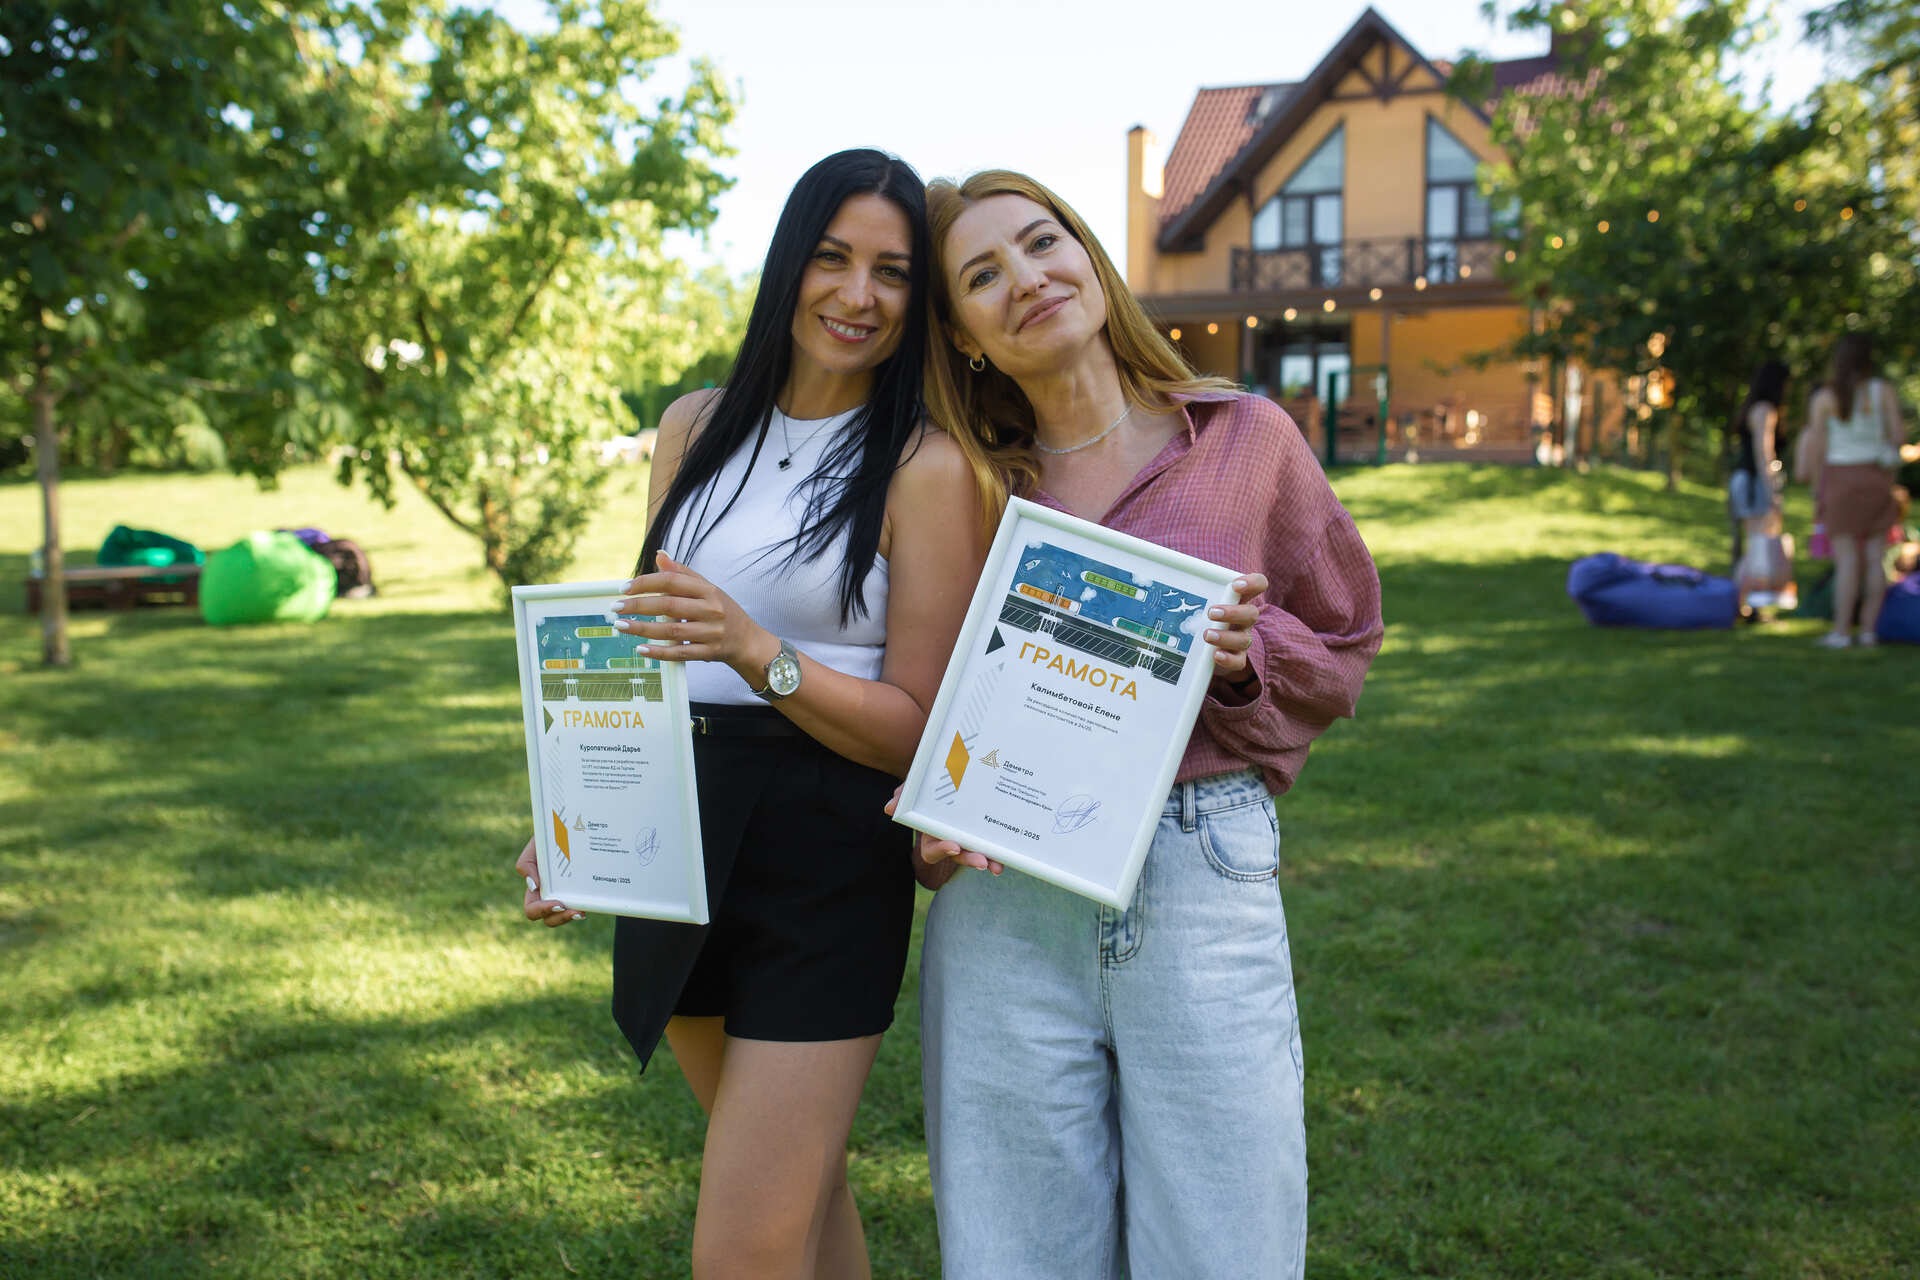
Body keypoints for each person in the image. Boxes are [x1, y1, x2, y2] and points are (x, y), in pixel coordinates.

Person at [515, 148, 990, 1279]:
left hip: (825, 853)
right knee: (801, 1202)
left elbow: (922, 730)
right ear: (789, 264)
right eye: (832, 258)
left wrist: (758, 651)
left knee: (743, 1249)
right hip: (680, 829)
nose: (858, 295)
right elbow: (648, 641)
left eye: (891, 272)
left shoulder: (925, 468)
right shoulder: (693, 426)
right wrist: (575, 811)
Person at [903, 170, 1384, 1280]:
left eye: (1042, 242)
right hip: (1005, 892)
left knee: (1226, 1246)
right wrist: (929, 817)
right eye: (983, 275)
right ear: (963, 334)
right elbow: (923, 695)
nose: (1027, 278)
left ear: (1089, 255)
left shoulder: (1244, 438)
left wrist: (1245, 659)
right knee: (1015, 1254)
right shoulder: (963, 488)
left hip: (1200, 868)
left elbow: (1346, 636)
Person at [1800, 333, 1906, 648]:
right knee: (1875, 557)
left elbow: (1817, 448)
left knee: (1846, 559)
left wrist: (1818, 490)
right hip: (1876, 477)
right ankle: (1869, 630)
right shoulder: (1882, 391)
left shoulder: (1825, 397)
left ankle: (1842, 631)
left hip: (1840, 479)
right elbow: (1898, 437)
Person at [1727, 360, 1792, 615]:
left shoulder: (1753, 407)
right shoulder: (1765, 409)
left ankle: (1746, 603)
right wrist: (1772, 490)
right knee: (1758, 547)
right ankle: (1742, 603)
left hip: (1746, 478)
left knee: (1755, 546)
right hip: (1755, 481)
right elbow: (1763, 453)